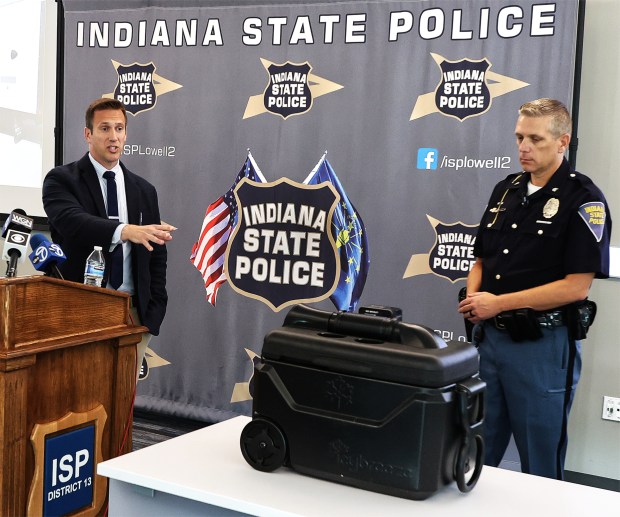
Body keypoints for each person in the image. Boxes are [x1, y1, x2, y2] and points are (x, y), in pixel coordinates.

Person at [458, 98, 611, 480]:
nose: (524, 147)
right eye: (519, 137)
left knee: (540, 463)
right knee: (474, 452)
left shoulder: (584, 200)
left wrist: (497, 304)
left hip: (541, 348)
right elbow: (481, 260)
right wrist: (477, 299)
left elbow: (576, 287)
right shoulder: (505, 190)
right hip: (490, 342)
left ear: (563, 142)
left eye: (536, 139)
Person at [43, 98, 176, 377]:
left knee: (124, 402)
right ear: (88, 134)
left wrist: (153, 312)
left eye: (119, 128)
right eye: (104, 128)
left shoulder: (144, 190)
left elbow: (156, 253)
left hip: (131, 314)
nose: (113, 137)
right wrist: (125, 231)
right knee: (81, 399)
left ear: (126, 134)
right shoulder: (61, 180)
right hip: (80, 312)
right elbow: (73, 223)